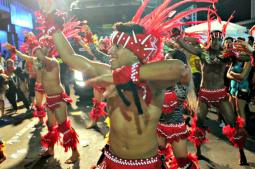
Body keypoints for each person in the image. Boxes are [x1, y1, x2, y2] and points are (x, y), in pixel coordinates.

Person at [38, 0, 189, 168]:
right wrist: (51, 19)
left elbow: (179, 69)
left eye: (117, 46)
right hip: (112, 161)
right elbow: (70, 57)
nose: (110, 51)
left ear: (134, 51)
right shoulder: (108, 72)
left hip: (146, 164)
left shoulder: (154, 80)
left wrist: (128, 74)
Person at [177, 30, 249, 165]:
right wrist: (179, 36)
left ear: (222, 41)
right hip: (205, 94)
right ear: (210, 39)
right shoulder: (203, 52)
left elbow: (247, 58)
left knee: (233, 124)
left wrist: (236, 52)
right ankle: (198, 151)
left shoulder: (226, 54)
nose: (216, 42)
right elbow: (184, 45)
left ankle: (241, 153)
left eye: (219, 40)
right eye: (214, 39)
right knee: (198, 123)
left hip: (220, 94)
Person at [4, 40, 80, 164]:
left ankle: (75, 152)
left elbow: (42, 58)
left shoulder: (53, 62)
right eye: (37, 49)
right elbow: (26, 57)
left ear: (48, 50)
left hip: (58, 98)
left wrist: (39, 51)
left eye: (41, 48)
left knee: (64, 127)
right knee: (51, 127)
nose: (38, 50)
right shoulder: (39, 62)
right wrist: (14, 50)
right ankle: (50, 150)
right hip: (49, 99)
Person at [157, 52, 199, 169]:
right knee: (157, 159)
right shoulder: (160, 78)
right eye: (165, 60)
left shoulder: (183, 78)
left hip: (176, 128)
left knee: (183, 163)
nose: (165, 63)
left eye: (169, 60)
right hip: (159, 126)